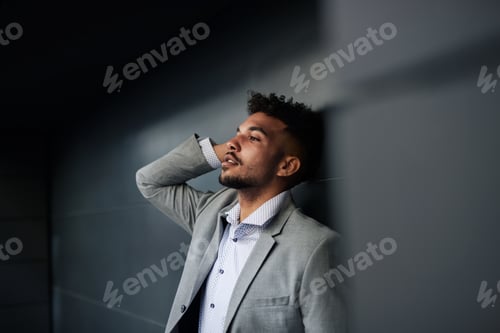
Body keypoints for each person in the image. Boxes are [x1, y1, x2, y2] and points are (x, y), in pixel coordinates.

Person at [136, 92, 345, 332]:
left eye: (254, 138)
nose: (232, 143)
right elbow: (149, 181)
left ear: (286, 165)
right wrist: (230, 149)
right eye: (237, 133)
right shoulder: (209, 213)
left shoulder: (316, 248)